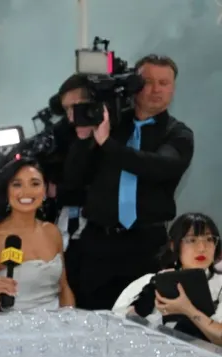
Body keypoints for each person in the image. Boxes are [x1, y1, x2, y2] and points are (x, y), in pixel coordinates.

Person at [63, 55, 194, 310]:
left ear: (173, 88)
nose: (156, 89)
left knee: (144, 323)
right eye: (148, 81)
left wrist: (107, 145)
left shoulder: (178, 133)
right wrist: (82, 140)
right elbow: (73, 178)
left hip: (147, 246)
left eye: (164, 82)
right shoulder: (108, 122)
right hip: (98, 243)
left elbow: (157, 167)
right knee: (91, 320)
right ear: (134, 85)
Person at [0, 157, 75, 313]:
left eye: (35, 184)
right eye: (17, 184)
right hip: (14, 331)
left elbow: (64, 287)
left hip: (57, 328)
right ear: (7, 191)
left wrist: (70, 321)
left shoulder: (52, 232)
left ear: (44, 191)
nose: (26, 192)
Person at [122, 212, 222, 343]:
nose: (202, 248)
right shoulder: (152, 280)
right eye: (192, 240)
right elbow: (121, 323)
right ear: (173, 245)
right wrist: (147, 297)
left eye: (209, 239)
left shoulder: (219, 285)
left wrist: (188, 310)